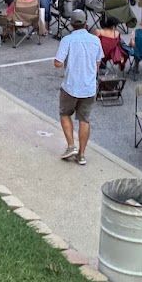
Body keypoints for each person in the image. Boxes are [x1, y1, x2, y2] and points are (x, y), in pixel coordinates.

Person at [54, 9, 101, 166]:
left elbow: (58, 63)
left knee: (65, 113)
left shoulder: (67, 40)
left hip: (71, 86)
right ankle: (81, 154)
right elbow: (98, 62)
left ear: (72, 24)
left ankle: (71, 145)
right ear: (86, 23)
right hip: (89, 87)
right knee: (84, 120)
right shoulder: (95, 40)